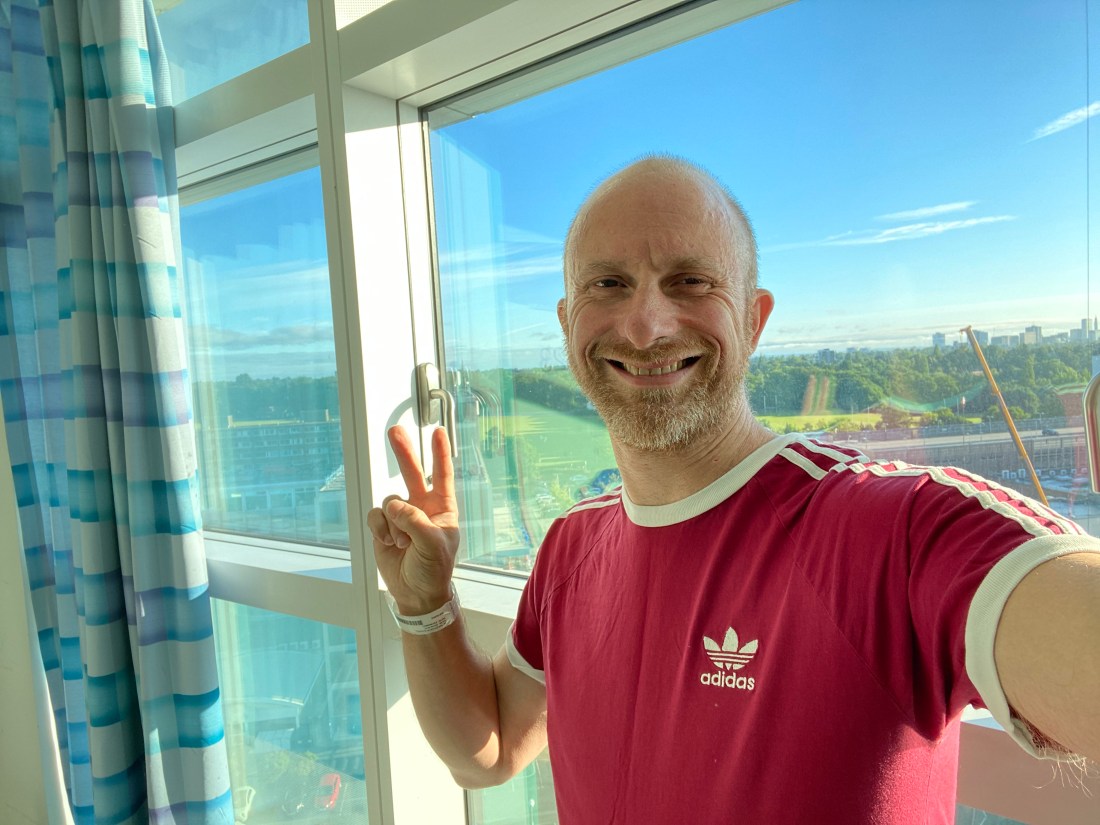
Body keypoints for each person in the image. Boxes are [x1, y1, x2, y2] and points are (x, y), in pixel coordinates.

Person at [367, 156, 1100, 823]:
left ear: (754, 319)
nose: (645, 326)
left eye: (690, 281)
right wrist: (425, 607)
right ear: (567, 324)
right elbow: (491, 750)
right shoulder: (569, 548)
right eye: (608, 284)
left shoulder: (889, 529)